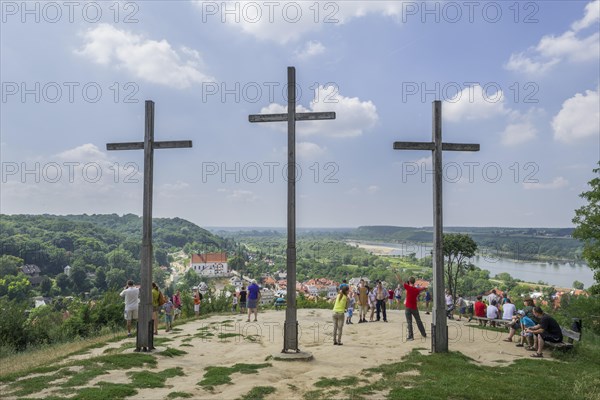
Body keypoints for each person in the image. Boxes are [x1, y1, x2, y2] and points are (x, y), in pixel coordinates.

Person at [404, 276, 427, 340]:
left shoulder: (408, 287)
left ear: (409, 281)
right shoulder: (416, 289)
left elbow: (400, 281)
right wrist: (424, 287)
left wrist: (396, 273)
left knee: (409, 322)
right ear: (414, 281)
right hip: (414, 307)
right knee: (418, 321)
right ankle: (423, 333)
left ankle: (411, 336)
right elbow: (422, 288)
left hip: (408, 307)